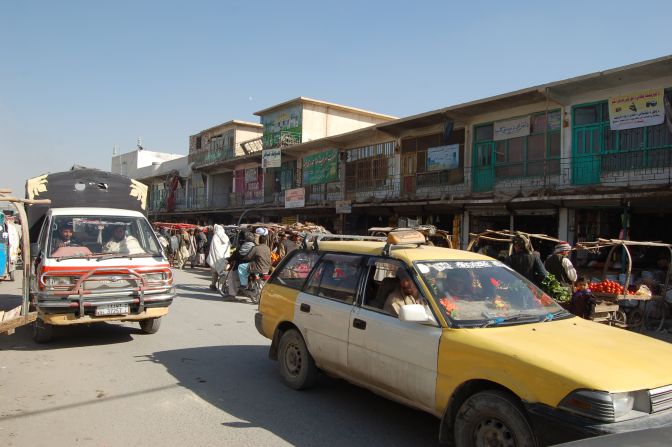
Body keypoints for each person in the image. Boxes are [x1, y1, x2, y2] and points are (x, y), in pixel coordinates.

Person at [207, 224, 231, 291]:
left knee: (214, 272)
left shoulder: (215, 236)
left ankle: (213, 285)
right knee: (223, 272)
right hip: (223, 257)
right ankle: (223, 286)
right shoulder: (225, 236)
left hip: (215, 257)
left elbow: (213, 248)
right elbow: (228, 247)